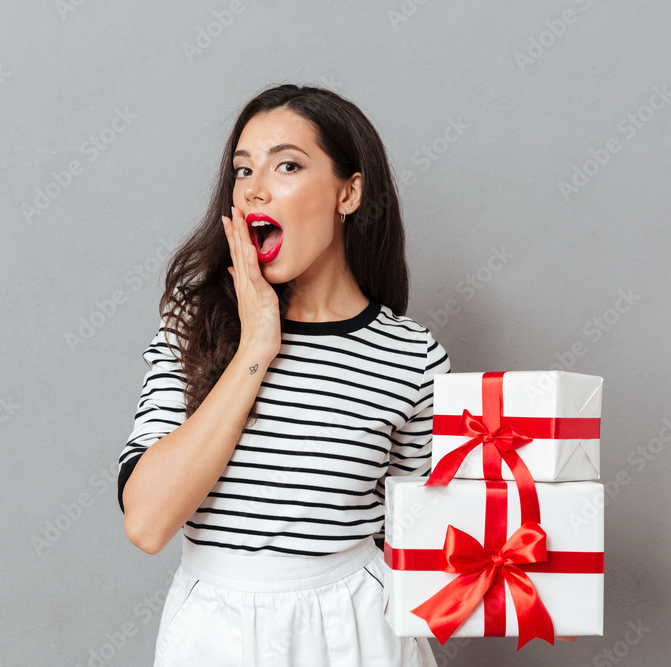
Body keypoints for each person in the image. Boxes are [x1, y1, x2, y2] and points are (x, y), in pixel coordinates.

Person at [117, 83, 450, 665]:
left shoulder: (411, 355)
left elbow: (431, 539)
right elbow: (146, 522)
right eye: (242, 172)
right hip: (215, 633)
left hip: (360, 629)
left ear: (349, 192)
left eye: (287, 166)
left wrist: (540, 594)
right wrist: (257, 346)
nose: (255, 191)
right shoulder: (193, 325)